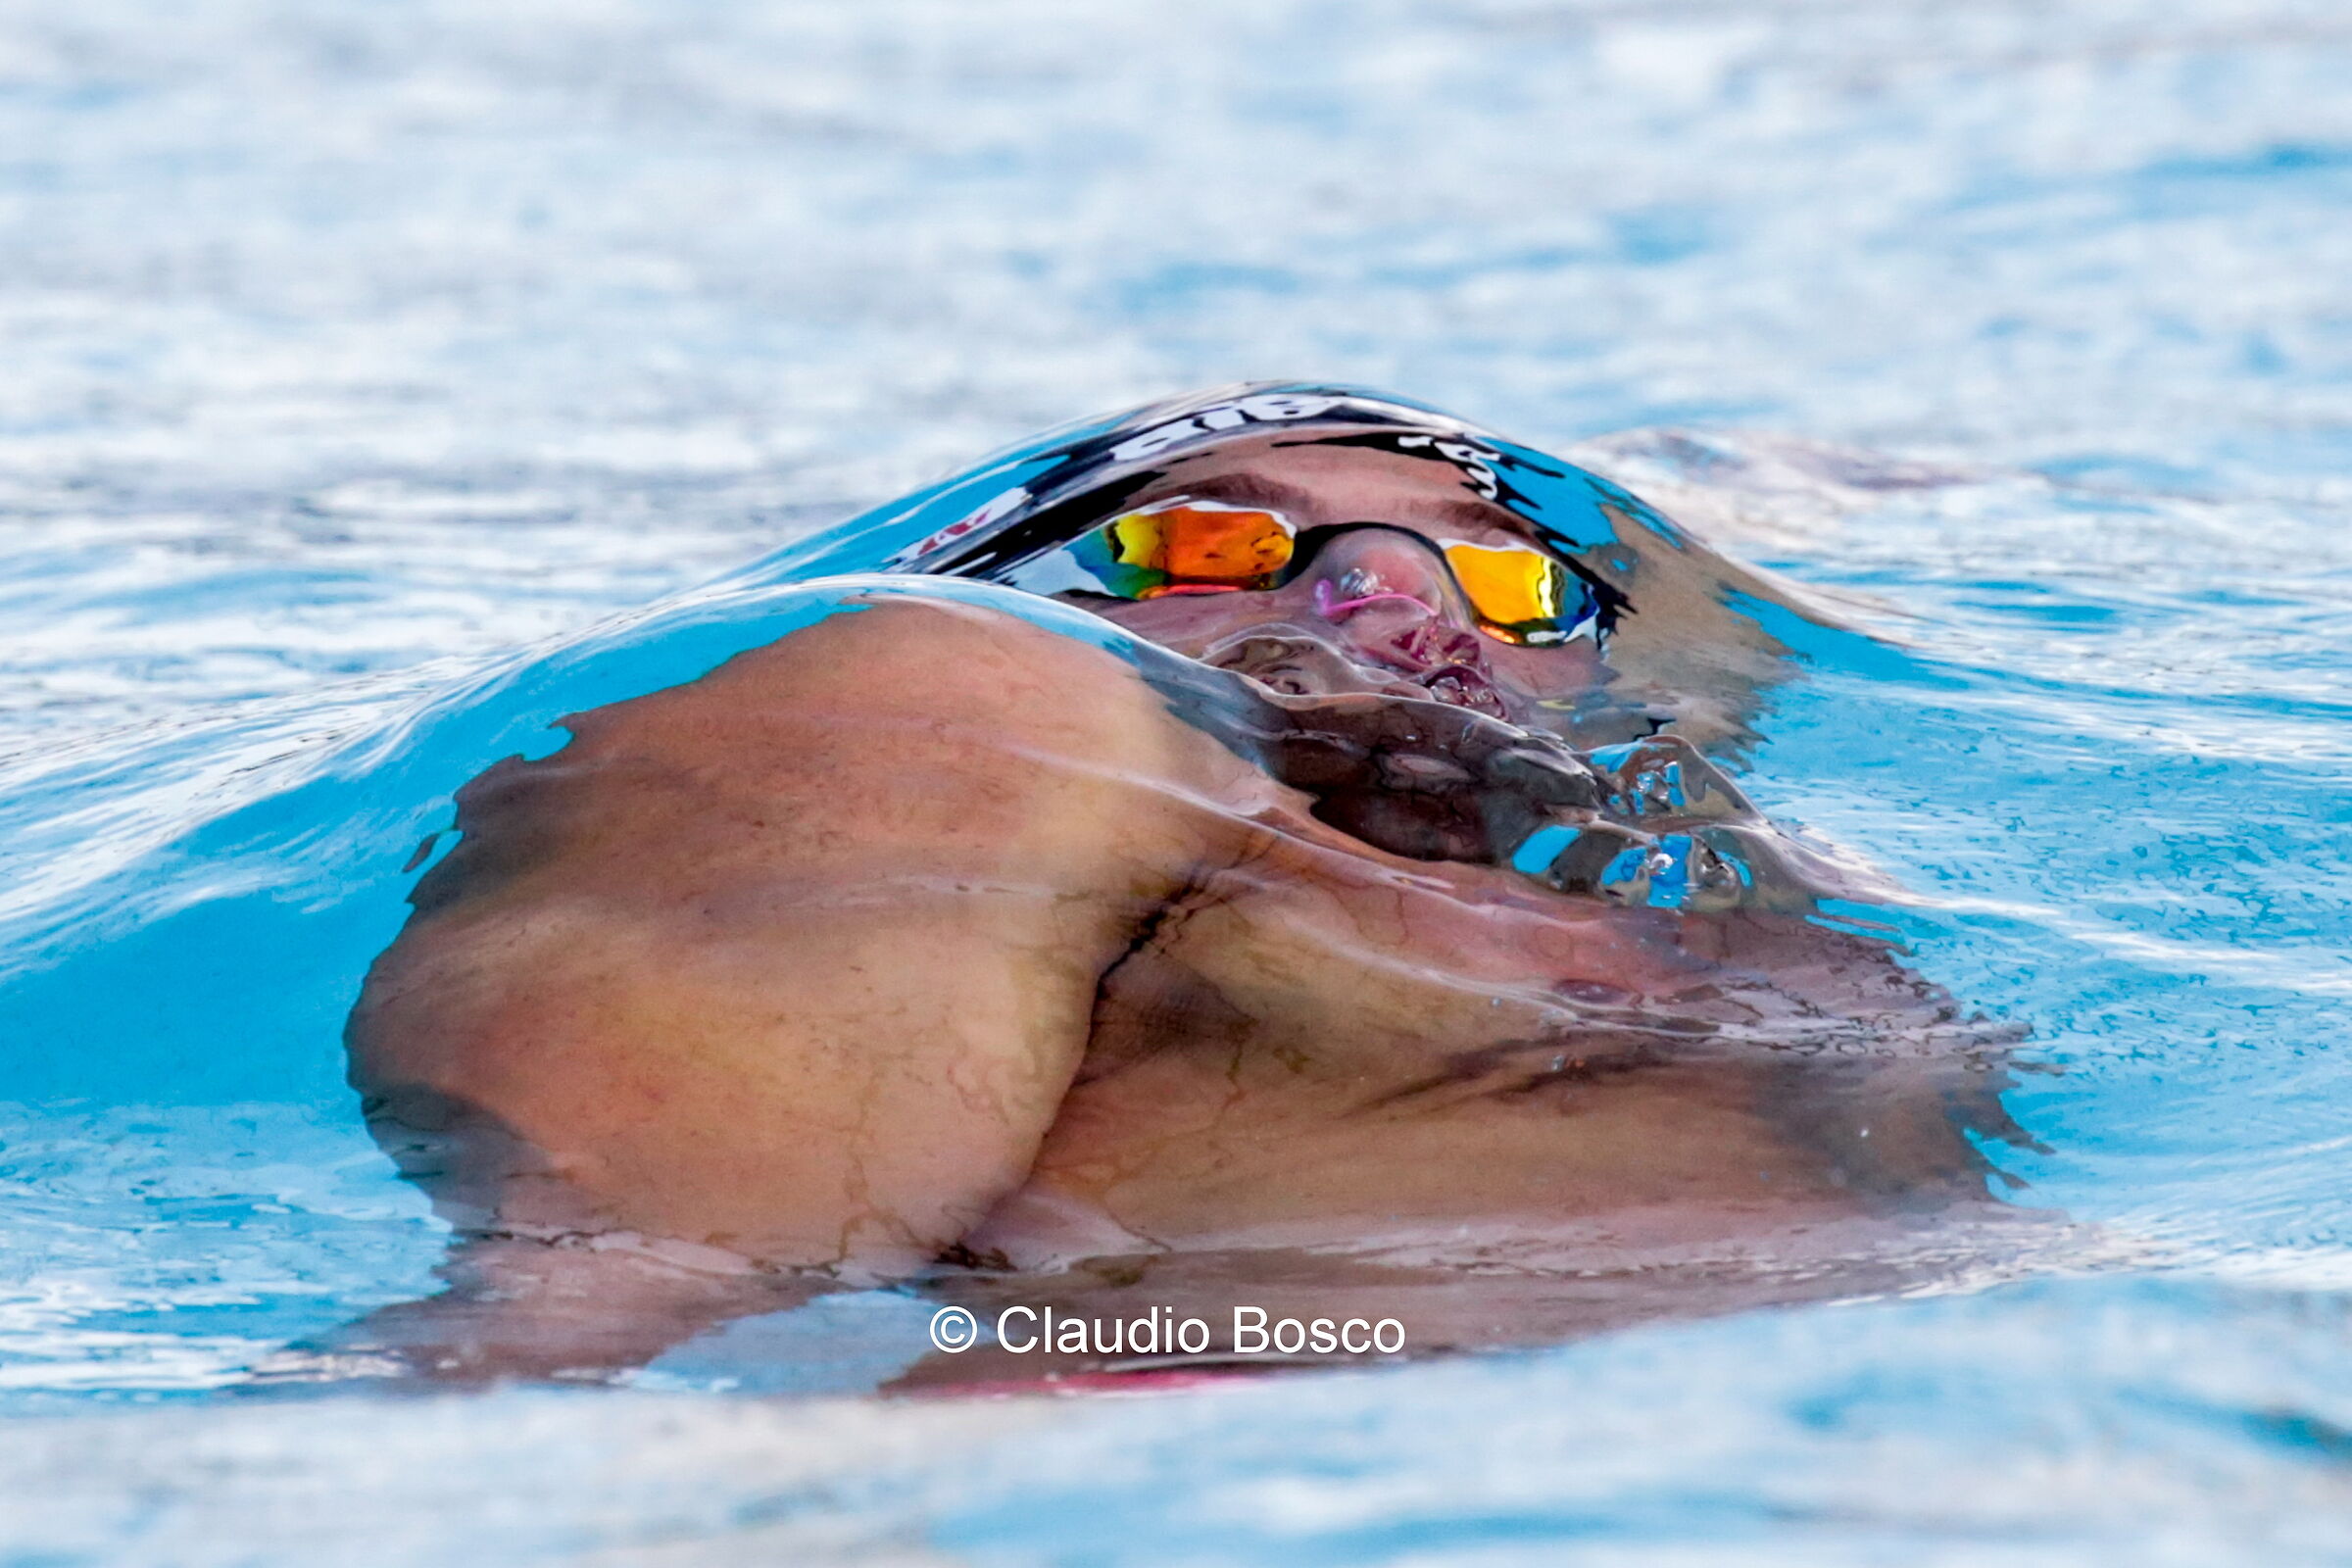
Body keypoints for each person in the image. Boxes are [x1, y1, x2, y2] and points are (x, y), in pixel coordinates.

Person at [330, 386, 2037, 1385]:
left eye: (1511, 580)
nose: (1393, 604)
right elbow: (594, 1305)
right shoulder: (971, 696)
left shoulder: (1709, 879)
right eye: (1210, 544)